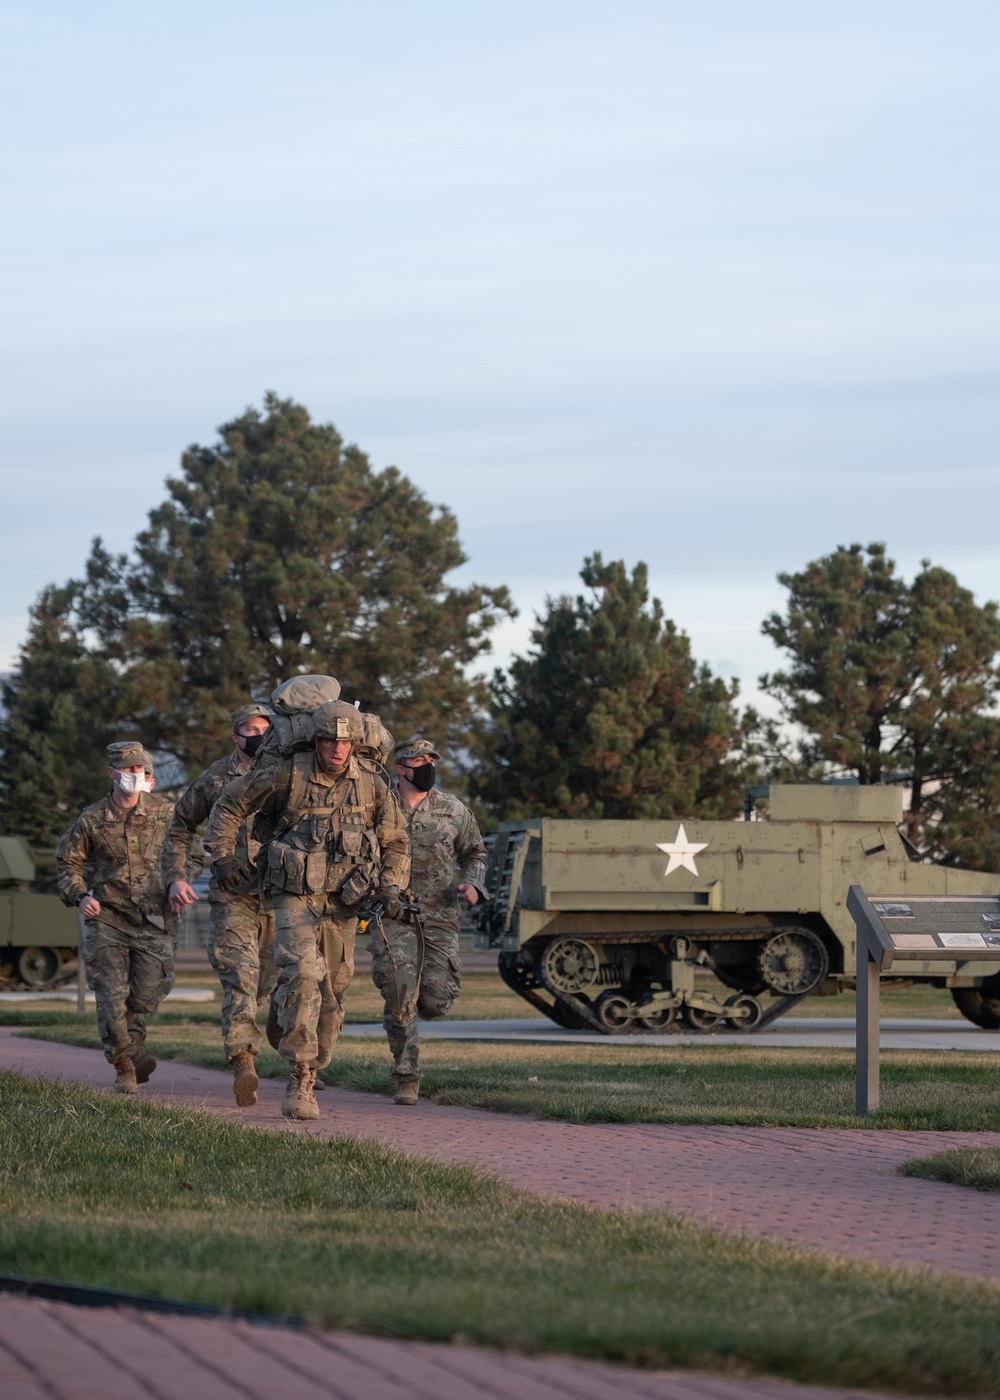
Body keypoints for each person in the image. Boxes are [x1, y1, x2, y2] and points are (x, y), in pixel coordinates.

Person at [206, 699, 409, 1120]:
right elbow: (229, 806)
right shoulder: (288, 774)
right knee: (303, 972)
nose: (337, 749)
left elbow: (396, 840)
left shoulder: (371, 784)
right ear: (315, 740)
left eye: (345, 742)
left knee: (333, 995)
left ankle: (300, 1037)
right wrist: (225, 858)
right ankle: (300, 1080)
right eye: (329, 740)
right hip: (293, 895)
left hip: (345, 902)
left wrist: (390, 884)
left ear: (355, 743)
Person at [162, 702, 275, 1106]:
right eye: (250, 729)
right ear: (236, 735)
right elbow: (180, 827)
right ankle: (243, 1060)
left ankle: (284, 1037)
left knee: (272, 983)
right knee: (240, 977)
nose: (258, 736)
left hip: (283, 898)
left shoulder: (287, 774)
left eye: (265, 728)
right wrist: (177, 876)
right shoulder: (215, 778)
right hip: (234, 895)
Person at [56, 741, 181, 1093]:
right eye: (128, 769)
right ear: (112, 773)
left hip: (154, 919)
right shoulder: (92, 819)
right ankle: (124, 1065)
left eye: (141, 769)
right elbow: (68, 863)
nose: (135, 775)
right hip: (107, 918)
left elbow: (187, 852)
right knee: (112, 995)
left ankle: (134, 1044)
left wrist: (178, 882)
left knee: (145, 995)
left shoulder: (166, 813)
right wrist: (80, 896)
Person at [370, 737, 488, 1105]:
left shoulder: (454, 810)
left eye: (430, 760)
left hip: (439, 915)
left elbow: (475, 852)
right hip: (392, 915)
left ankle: (403, 1010)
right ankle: (407, 1077)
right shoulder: (377, 805)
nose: (426, 767)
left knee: (436, 1000)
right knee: (400, 992)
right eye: (418, 761)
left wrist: (473, 882)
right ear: (400, 769)